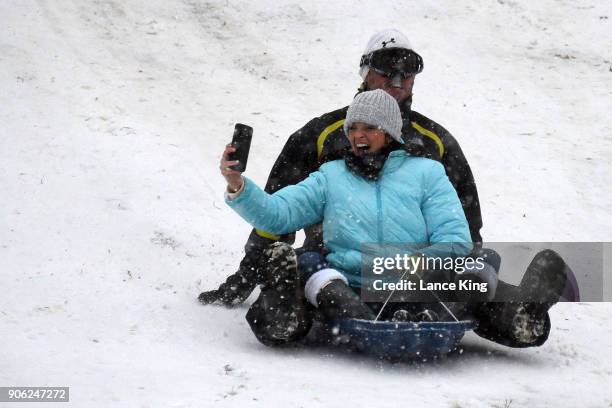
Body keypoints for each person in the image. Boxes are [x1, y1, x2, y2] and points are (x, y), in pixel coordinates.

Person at [200, 28, 482, 306]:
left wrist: (463, 285)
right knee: (305, 272)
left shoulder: (436, 141)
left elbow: (463, 223)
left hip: (414, 276)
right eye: (386, 68)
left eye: (408, 70)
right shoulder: (321, 134)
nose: (397, 79)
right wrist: (245, 278)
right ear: (366, 72)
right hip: (336, 268)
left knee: (495, 266)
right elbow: (281, 212)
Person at [221, 90, 475, 345]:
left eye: (369, 127)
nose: (358, 135)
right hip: (347, 287)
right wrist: (237, 185)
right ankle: (343, 320)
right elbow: (279, 214)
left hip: (413, 285)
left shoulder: (426, 173)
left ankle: (437, 317)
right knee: (307, 262)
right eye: (353, 128)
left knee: (482, 265)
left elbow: (454, 238)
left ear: (388, 132)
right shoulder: (331, 176)